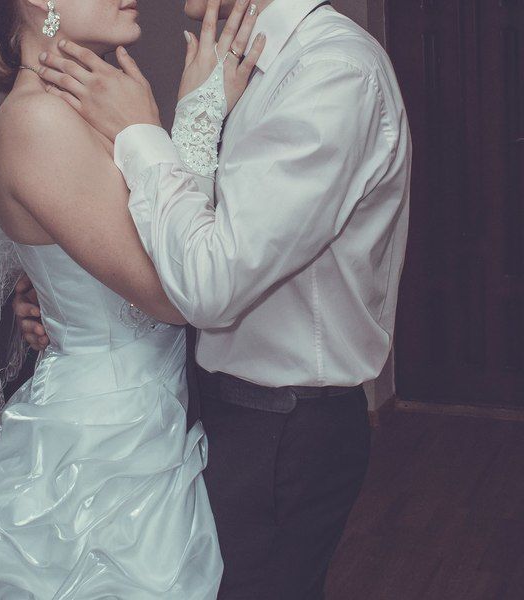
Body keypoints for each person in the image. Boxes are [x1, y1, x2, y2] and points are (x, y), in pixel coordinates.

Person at [29, 0, 412, 597]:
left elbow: (210, 283)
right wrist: (71, 293)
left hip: (282, 427)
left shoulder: (332, 72)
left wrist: (140, 133)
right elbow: (188, 234)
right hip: (214, 406)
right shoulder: (250, 60)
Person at [0, 0, 235, 597]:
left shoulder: (83, 107)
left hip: (140, 415)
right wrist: (196, 119)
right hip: (101, 442)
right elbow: (176, 295)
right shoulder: (36, 121)